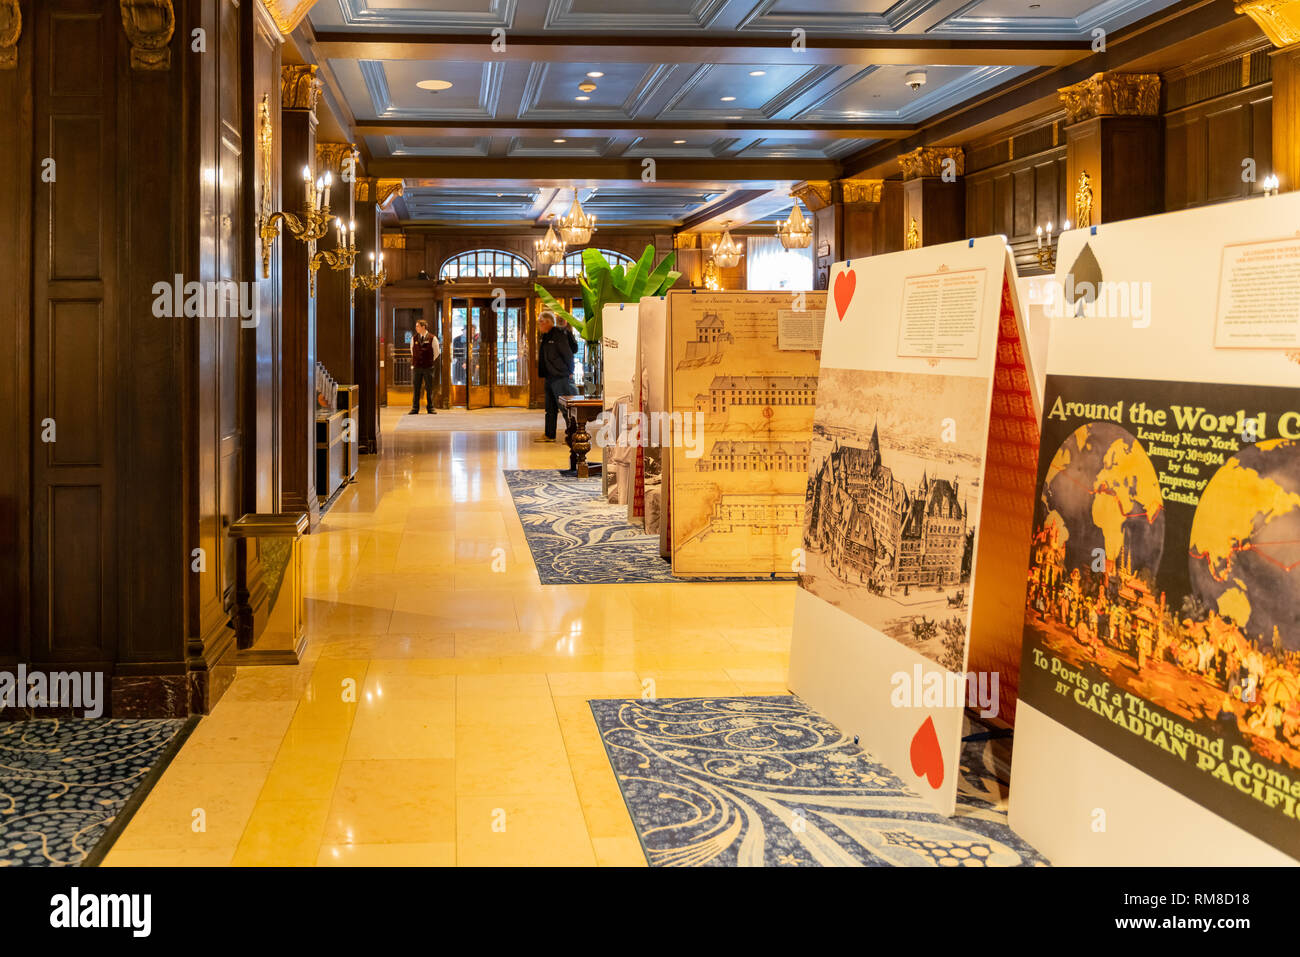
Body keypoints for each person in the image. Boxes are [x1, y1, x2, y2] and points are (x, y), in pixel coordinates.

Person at [537, 310, 577, 443]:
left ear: (548, 322)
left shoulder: (558, 334)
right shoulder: (546, 336)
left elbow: (568, 354)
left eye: (541, 322)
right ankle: (549, 435)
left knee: (566, 409)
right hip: (549, 377)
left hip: (560, 376)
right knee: (550, 409)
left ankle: (573, 435)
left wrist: (570, 371)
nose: (539, 325)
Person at [410, 319, 440, 414]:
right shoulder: (414, 338)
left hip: (428, 367)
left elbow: (437, 352)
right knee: (416, 388)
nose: (416, 328)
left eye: (417, 326)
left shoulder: (432, 338)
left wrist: (429, 360)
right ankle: (415, 408)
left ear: (423, 327)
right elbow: (412, 351)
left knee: (429, 388)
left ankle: (430, 408)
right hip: (417, 367)